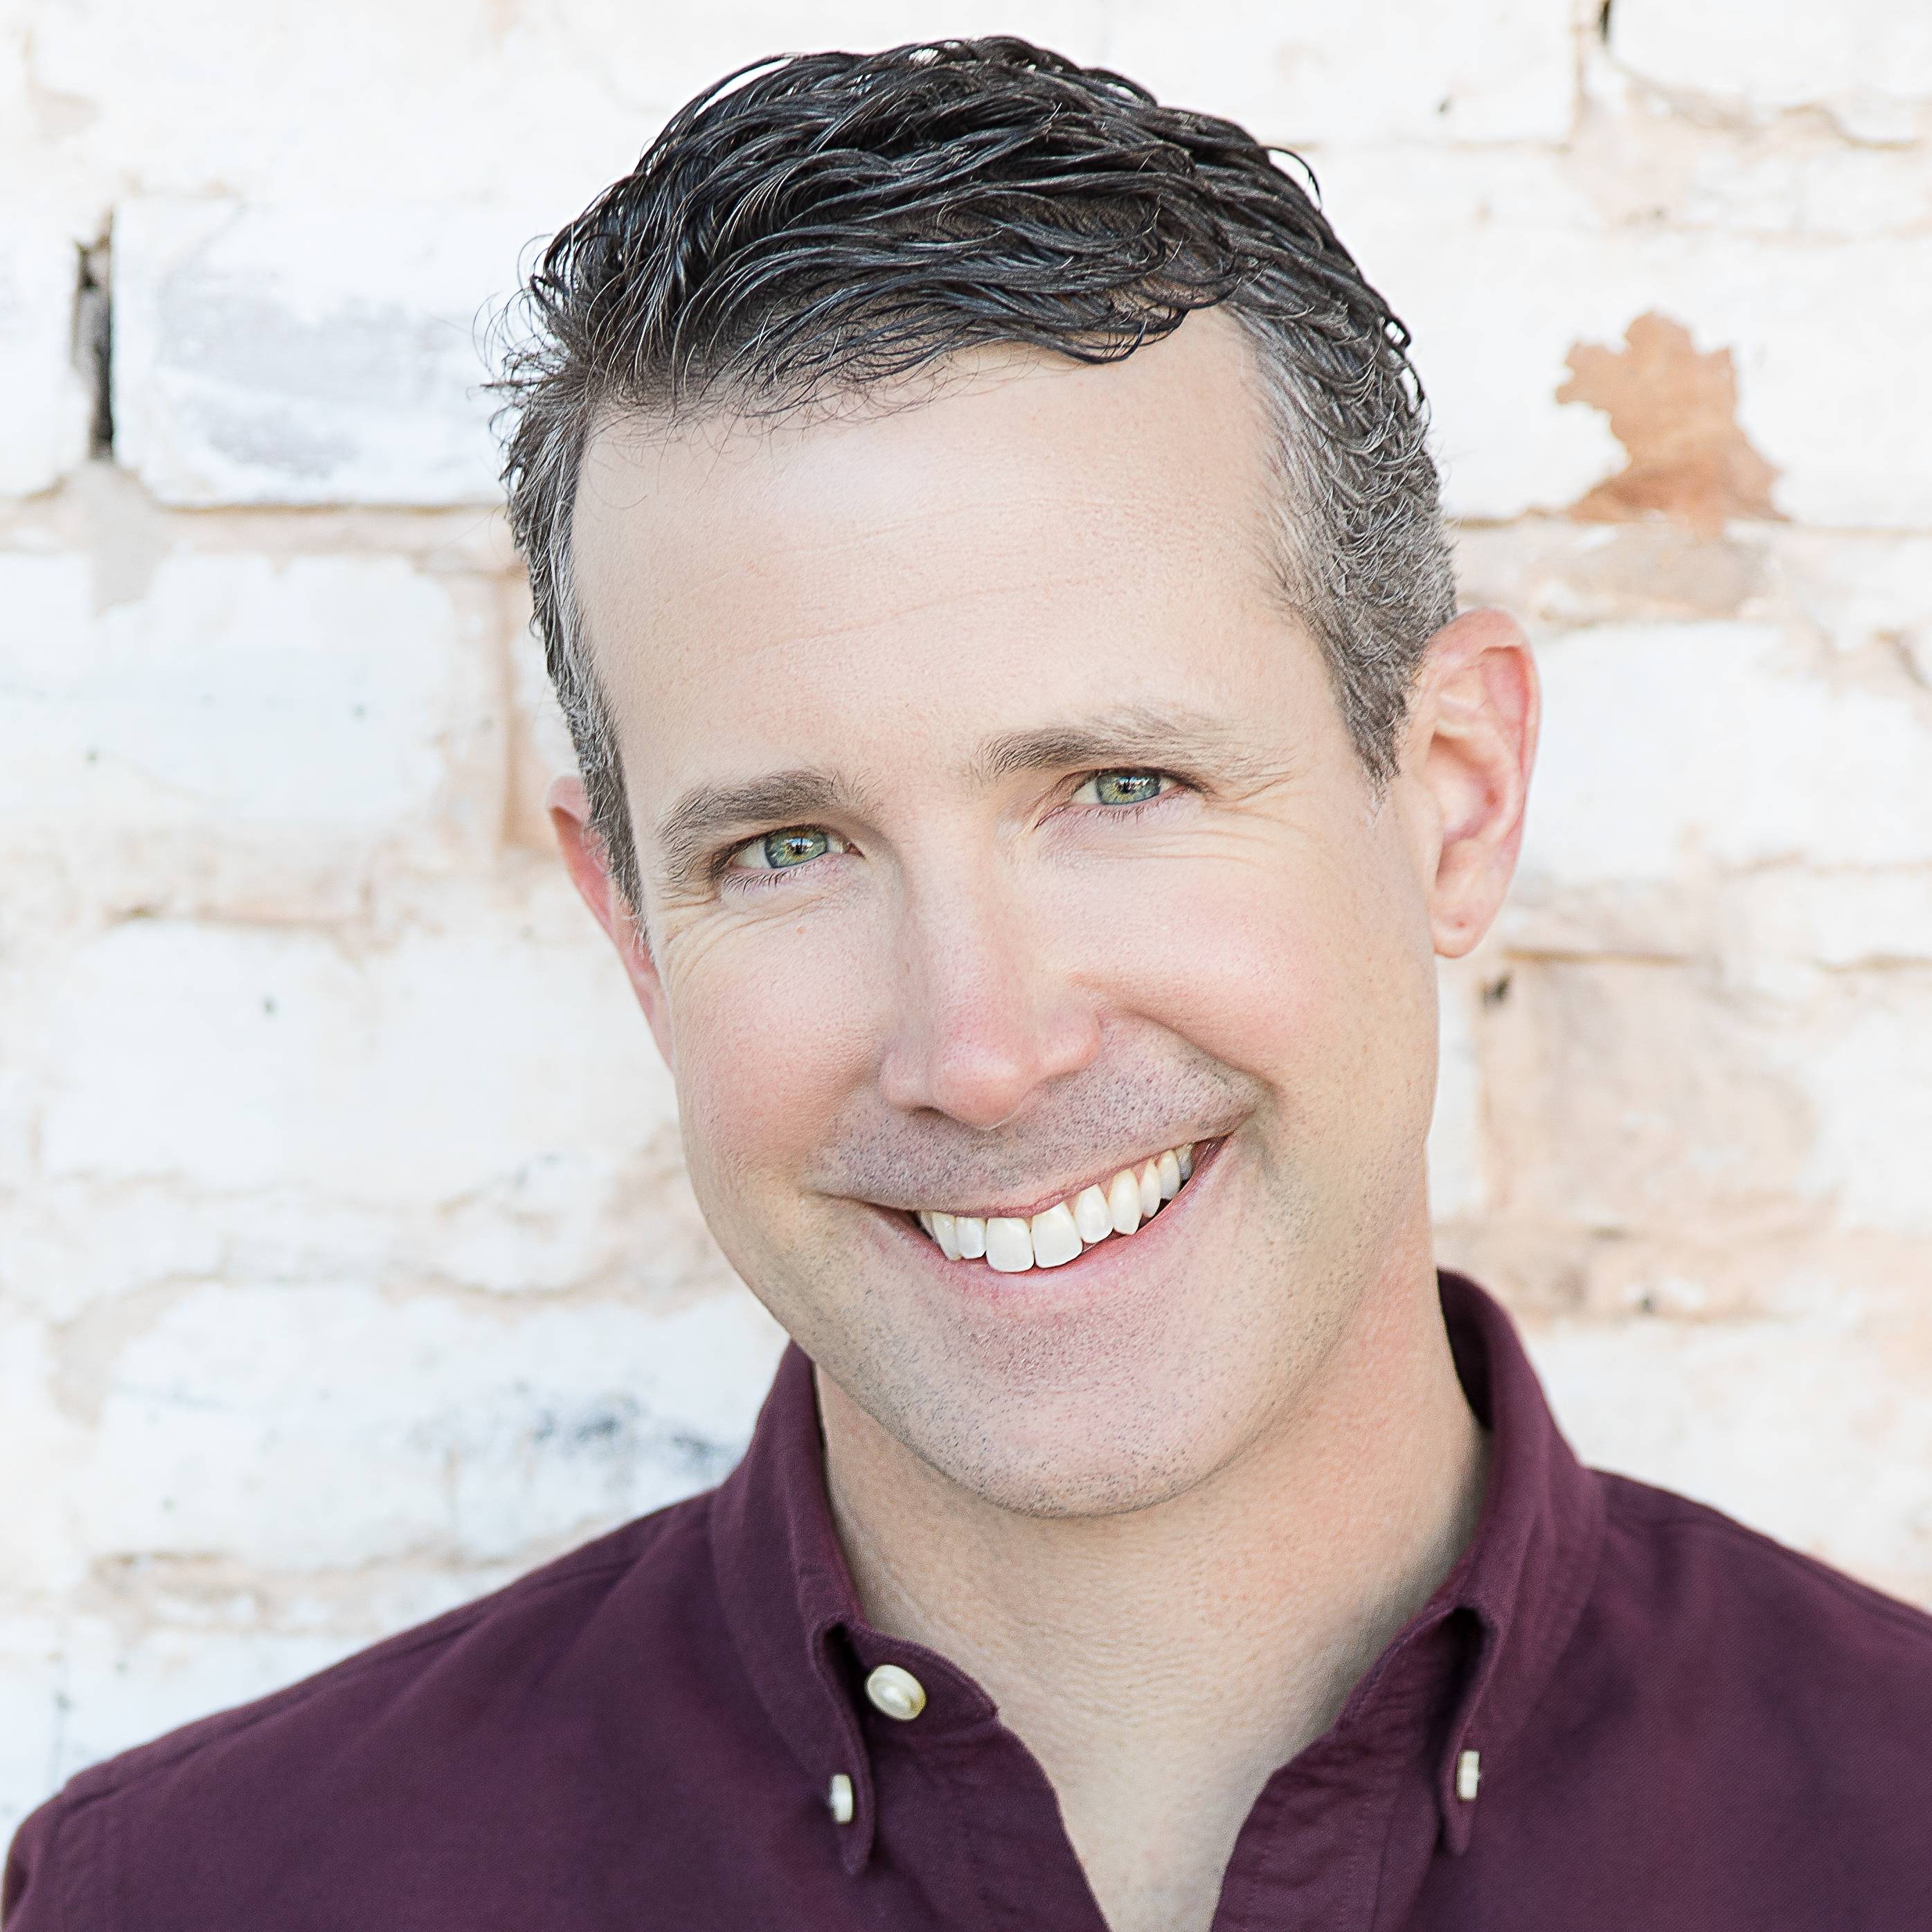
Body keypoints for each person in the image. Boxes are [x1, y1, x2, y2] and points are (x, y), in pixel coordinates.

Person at [7, 37, 1930, 1932]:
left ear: (1451, 800)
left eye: (1118, 787)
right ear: (633, 933)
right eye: (788, 848)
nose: (983, 1052)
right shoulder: (201, 1896)